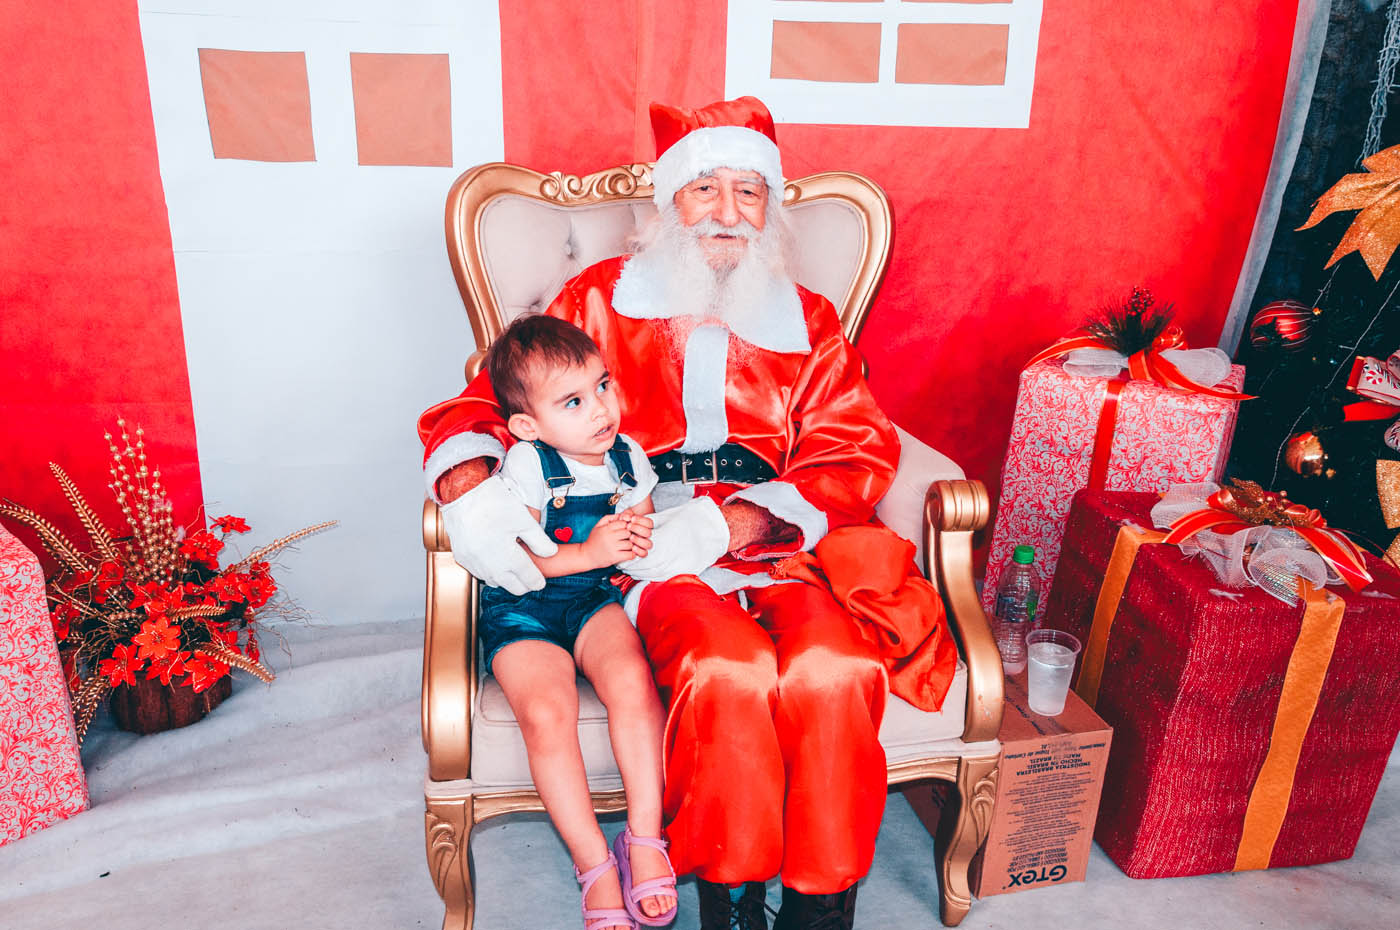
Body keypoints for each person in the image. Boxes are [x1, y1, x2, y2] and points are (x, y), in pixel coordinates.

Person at [419, 96, 923, 930]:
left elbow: (855, 450)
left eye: (749, 192)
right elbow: (487, 401)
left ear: (769, 209)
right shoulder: (596, 299)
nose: (727, 213)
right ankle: (731, 893)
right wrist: (471, 488)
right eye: (705, 189)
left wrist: (739, 522)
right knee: (728, 671)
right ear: (670, 202)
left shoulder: (810, 320)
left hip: (778, 540)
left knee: (837, 670)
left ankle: (820, 904)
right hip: (645, 538)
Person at [476, 314, 677, 930]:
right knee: (547, 710)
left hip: (591, 599)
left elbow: (641, 524)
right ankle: (593, 862)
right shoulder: (528, 465)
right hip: (523, 606)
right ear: (528, 425)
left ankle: (644, 837)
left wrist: (639, 533)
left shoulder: (627, 457)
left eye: (603, 386)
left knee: (634, 684)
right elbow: (520, 557)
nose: (600, 409)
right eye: (573, 401)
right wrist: (592, 550)